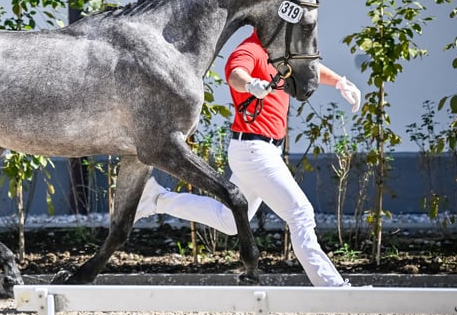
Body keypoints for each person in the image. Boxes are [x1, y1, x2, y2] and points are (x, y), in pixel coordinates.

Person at [135, 28, 362, 287]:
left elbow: (308, 69)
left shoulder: (280, 52)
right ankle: (333, 287)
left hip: (259, 151)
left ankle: (155, 198)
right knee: (300, 213)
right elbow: (235, 75)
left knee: (229, 220)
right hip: (255, 150)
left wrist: (340, 82)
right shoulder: (250, 49)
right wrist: (251, 84)